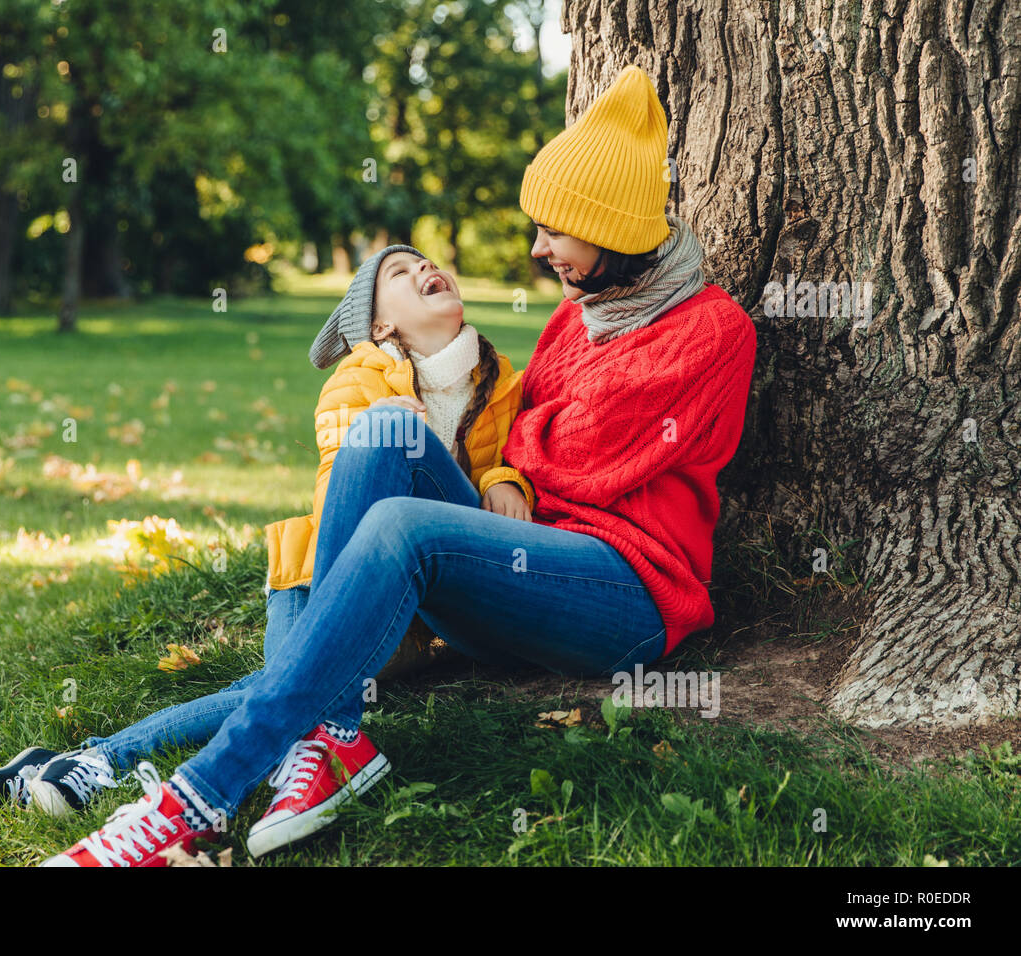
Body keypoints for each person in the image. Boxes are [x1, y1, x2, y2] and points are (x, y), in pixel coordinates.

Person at [37, 64, 757, 867]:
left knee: (398, 535)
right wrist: (510, 474)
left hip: (624, 594)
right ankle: (330, 735)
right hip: (514, 570)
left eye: (554, 229)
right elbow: (536, 437)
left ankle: (193, 799)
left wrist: (516, 462)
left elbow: (584, 459)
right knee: (382, 433)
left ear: (612, 226)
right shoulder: (575, 317)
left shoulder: (712, 331)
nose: (536, 247)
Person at [0, 247, 532, 828]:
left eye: (427, 263)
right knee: (294, 687)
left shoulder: (503, 382)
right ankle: (101, 759)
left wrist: (507, 480)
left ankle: (85, 760)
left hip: (415, 603)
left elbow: (507, 459)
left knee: (290, 686)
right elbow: (342, 490)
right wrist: (383, 430)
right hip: (320, 577)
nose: (424, 271)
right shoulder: (357, 382)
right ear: (379, 325)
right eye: (400, 275)